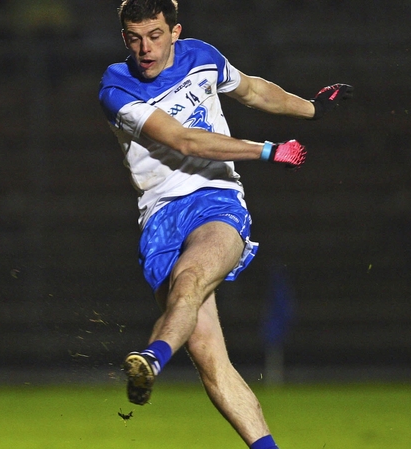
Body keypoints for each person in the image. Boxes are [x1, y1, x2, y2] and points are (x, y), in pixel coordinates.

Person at [98, 1, 351, 448]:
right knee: (211, 362)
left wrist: (313, 109)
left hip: (216, 203)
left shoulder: (203, 56)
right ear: (124, 39)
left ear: (175, 31)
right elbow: (183, 139)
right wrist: (269, 150)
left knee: (190, 278)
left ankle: (151, 360)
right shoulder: (116, 87)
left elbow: (253, 91)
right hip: (160, 219)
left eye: (155, 35)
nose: (146, 48)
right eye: (135, 38)